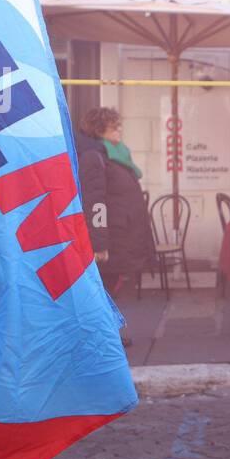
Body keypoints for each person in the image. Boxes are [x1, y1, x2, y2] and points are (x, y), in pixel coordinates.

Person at [76, 107, 154, 342]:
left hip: (123, 233)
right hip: (112, 237)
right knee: (107, 287)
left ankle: (108, 334)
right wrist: (99, 243)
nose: (120, 130)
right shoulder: (95, 157)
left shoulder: (115, 154)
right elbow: (94, 203)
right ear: (99, 130)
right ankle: (105, 336)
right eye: (114, 126)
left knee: (111, 286)